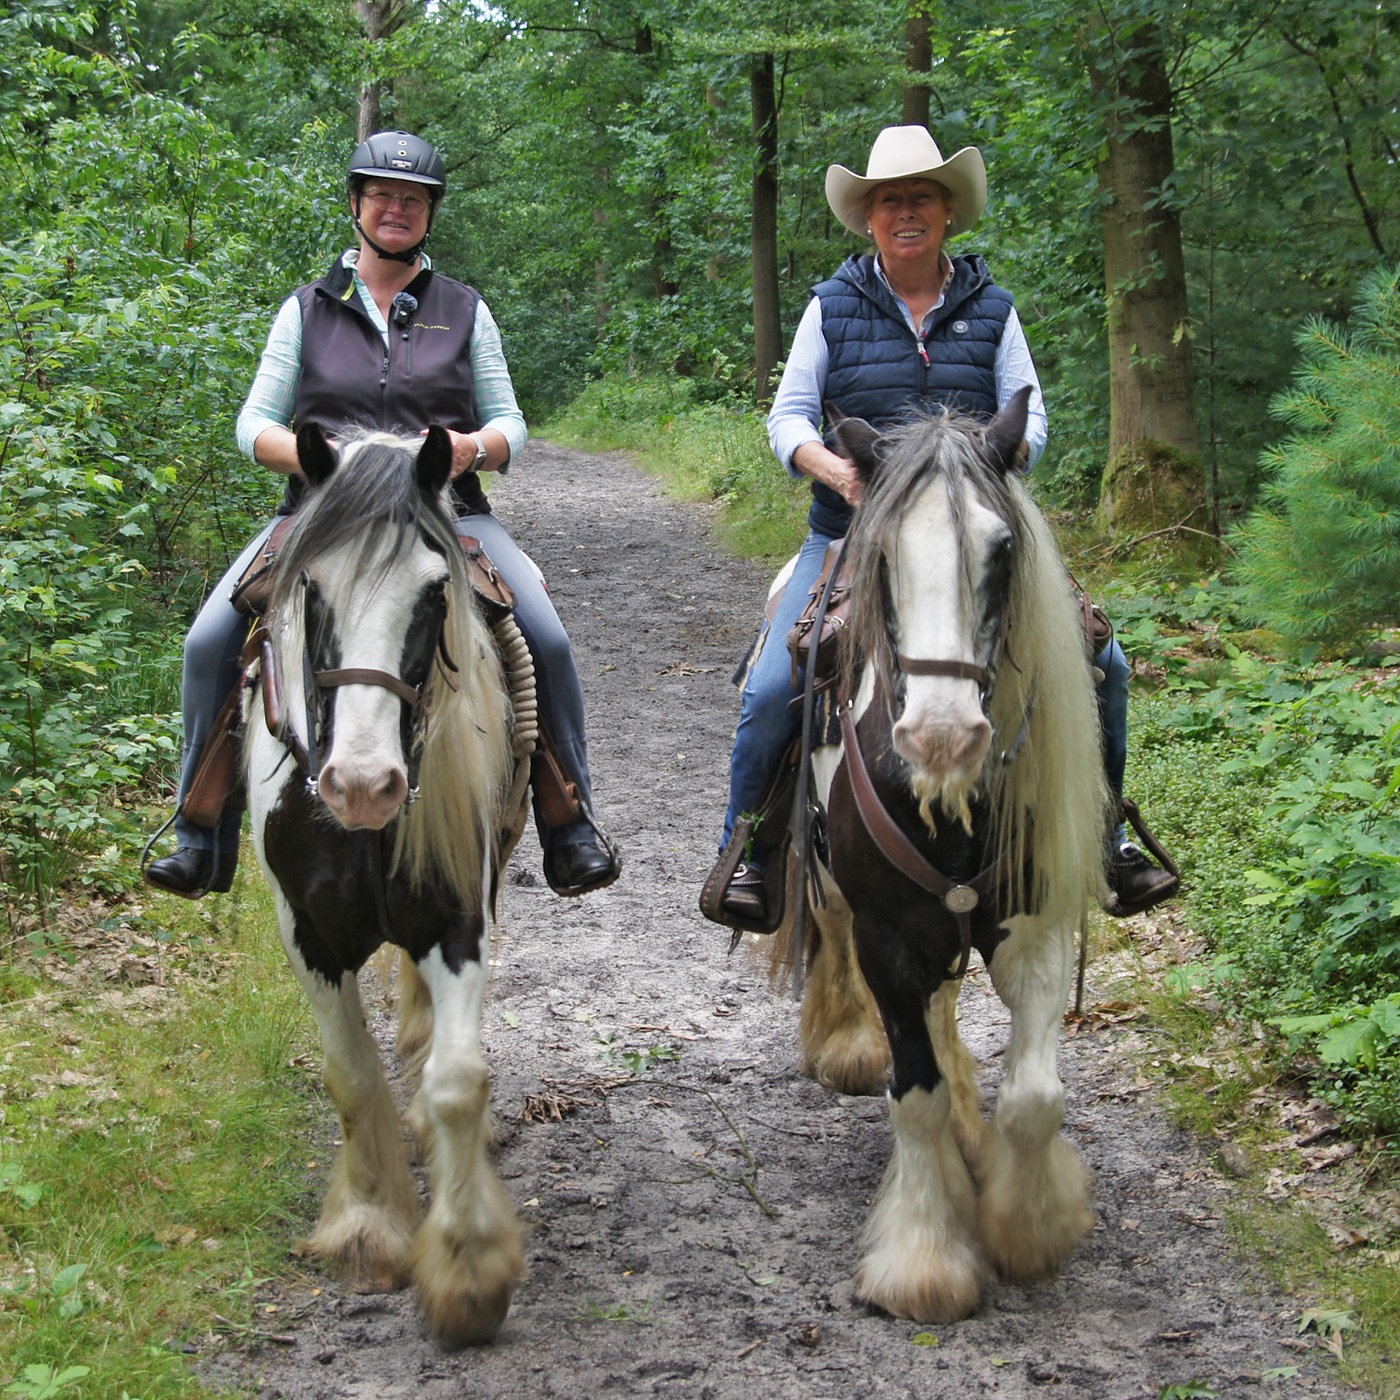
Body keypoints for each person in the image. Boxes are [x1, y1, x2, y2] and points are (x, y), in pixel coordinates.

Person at [712, 124, 1176, 925]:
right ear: (868, 217)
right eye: (889, 200)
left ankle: (1108, 837)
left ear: (948, 211)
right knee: (774, 686)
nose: (905, 212)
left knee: (1107, 659)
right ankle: (749, 853)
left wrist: (993, 459)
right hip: (853, 538)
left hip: (973, 535)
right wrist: (838, 473)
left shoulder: (993, 308)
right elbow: (788, 417)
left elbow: (1032, 418)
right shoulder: (831, 307)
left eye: (920, 196)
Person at [145, 130, 619, 900]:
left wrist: (473, 446)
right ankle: (199, 831)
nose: (396, 209)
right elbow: (253, 424)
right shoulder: (305, 310)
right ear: (357, 206)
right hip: (321, 518)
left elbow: (512, 424)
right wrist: (319, 460)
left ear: (429, 213)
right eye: (382, 196)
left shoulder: (465, 309)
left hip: (449, 517)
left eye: (412, 199)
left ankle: (570, 822)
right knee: (208, 642)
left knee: (550, 641)